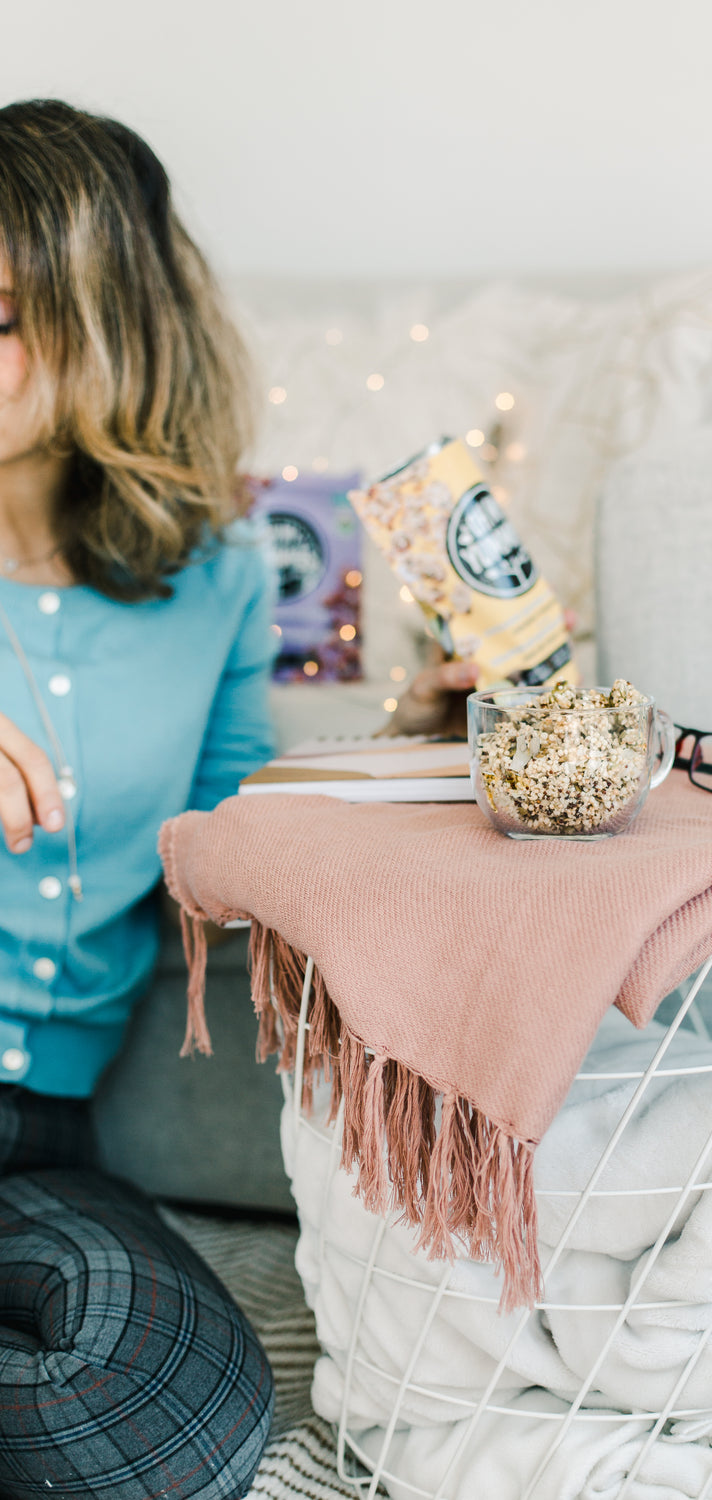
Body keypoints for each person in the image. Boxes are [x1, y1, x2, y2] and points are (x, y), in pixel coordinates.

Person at [0, 99, 466, 1499]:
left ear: (113, 322)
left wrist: (416, 759)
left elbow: (232, 843)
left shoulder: (209, 575)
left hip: (37, 1139)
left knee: (170, 1421)